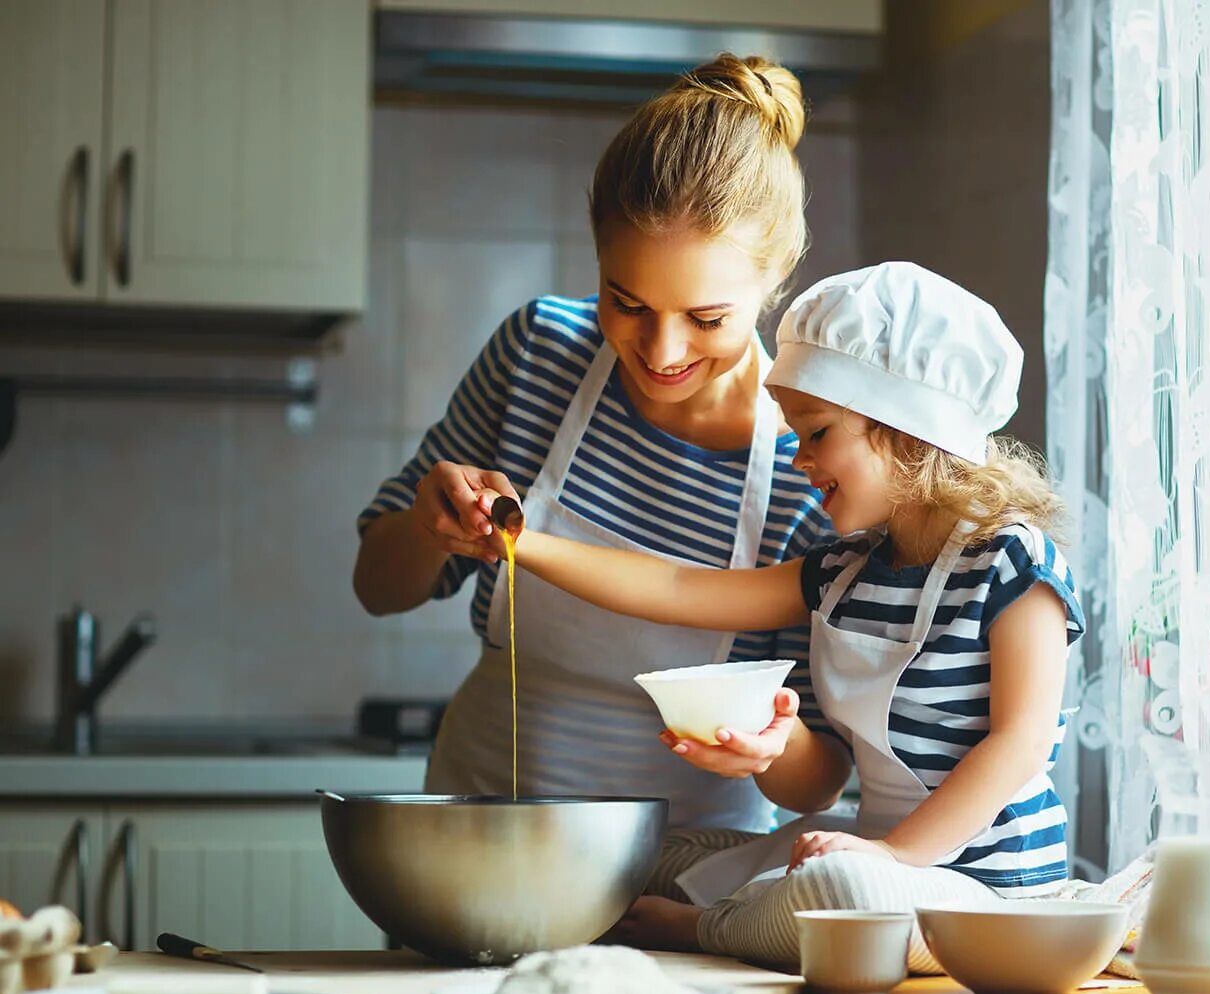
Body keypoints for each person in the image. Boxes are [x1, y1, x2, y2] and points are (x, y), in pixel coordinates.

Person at [496, 262, 1087, 972]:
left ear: (902, 427)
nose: (800, 459)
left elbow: (1019, 744)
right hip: (875, 858)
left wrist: (895, 855)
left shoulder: (1013, 564)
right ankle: (746, 909)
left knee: (844, 887)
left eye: (817, 433)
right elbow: (681, 588)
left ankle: (701, 929)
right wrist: (518, 542)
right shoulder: (844, 571)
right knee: (657, 850)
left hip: (986, 896)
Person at [351, 55, 846, 853]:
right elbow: (378, 587)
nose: (660, 350)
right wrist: (424, 524)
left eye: (708, 317)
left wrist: (769, 748)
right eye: (628, 301)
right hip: (477, 836)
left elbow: (819, 775)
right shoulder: (539, 355)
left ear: (775, 279)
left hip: (684, 875)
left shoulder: (811, 460)